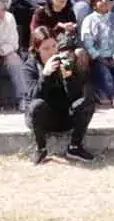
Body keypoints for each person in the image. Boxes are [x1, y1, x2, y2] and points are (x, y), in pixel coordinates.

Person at [21, 26, 96, 164]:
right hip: (41, 118)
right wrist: (45, 75)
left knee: (88, 100)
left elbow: (76, 96)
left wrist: (69, 77)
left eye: (54, 46)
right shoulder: (29, 67)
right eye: (46, 48)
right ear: (36, 49)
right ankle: (41, 149)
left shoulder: (64, 61)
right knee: (37, 105)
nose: (52, 51)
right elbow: (33, 96)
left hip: (63, 115)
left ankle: (74, 147)